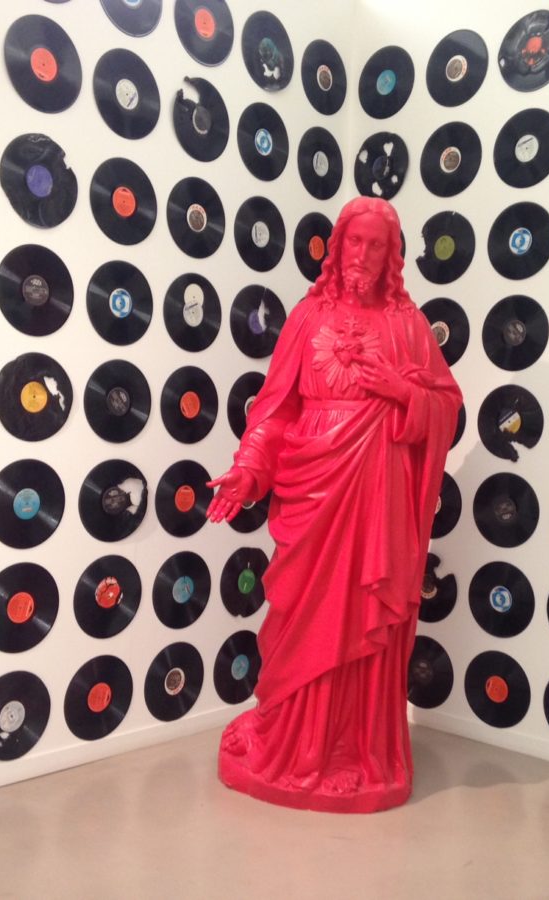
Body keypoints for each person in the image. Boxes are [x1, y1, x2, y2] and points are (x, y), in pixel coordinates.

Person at [206, 196, 462, 813]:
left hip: (377, 498)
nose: (363, 256)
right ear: (337, 245)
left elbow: (447, 407)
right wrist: (249, 468)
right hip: (314, 493)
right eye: (355, 241)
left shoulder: (408, 326)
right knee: (303, 621)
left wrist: (400, 390)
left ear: (391, 255)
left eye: (377, 245)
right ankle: (291, 743)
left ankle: (354, 753)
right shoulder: (308, 316)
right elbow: (275, 408)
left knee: (361, 623)